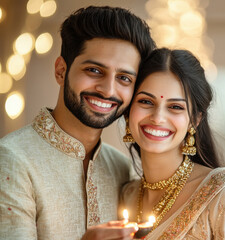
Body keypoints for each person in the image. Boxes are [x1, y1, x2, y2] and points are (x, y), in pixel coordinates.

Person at [0, 6, 155, 240]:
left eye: (124, 78)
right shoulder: (12, 159)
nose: (108, 90)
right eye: (94, 70)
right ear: (61, 71)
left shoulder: (122, 169)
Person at [120, 48, 225, 239]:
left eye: (175, 107)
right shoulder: (125, 196)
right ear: (128, 110)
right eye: (146, 101)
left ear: (195, 119)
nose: (158, 117)